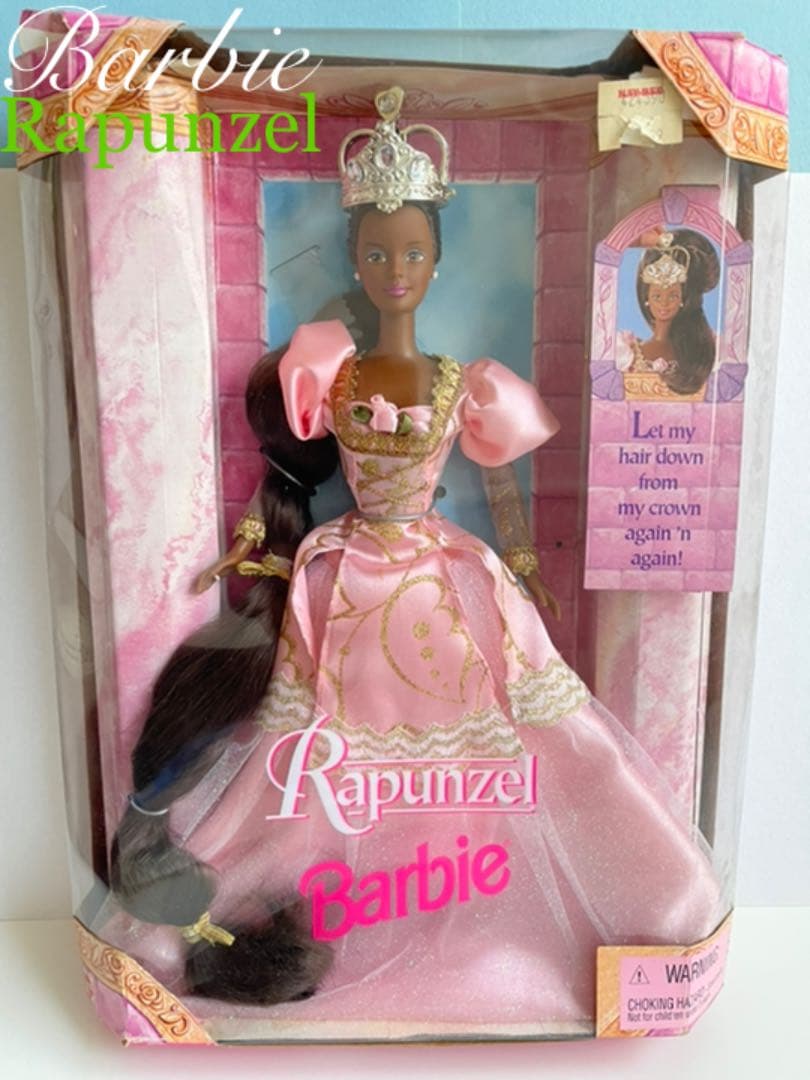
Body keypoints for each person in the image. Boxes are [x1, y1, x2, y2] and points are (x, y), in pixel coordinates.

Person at [109, 87, 724, 1031]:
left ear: (436, 259)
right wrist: (255, 548)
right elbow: (292, 467)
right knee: (311, 749)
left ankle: (579, 885)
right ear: (356, 258)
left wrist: (523, 560)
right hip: (346, 580)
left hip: (447, 582)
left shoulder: (460, 381)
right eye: (377, 253)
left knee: (515, 729)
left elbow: (501, 479)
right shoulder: (326, 368)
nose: (395, 270)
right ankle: (258, 893)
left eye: (411, 253)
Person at [617, 227, 720, 396]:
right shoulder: (625, 354)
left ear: (682, 299)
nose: (664, 304)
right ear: (647, 297)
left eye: (673, 295)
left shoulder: (708, 352)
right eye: (657, 296)